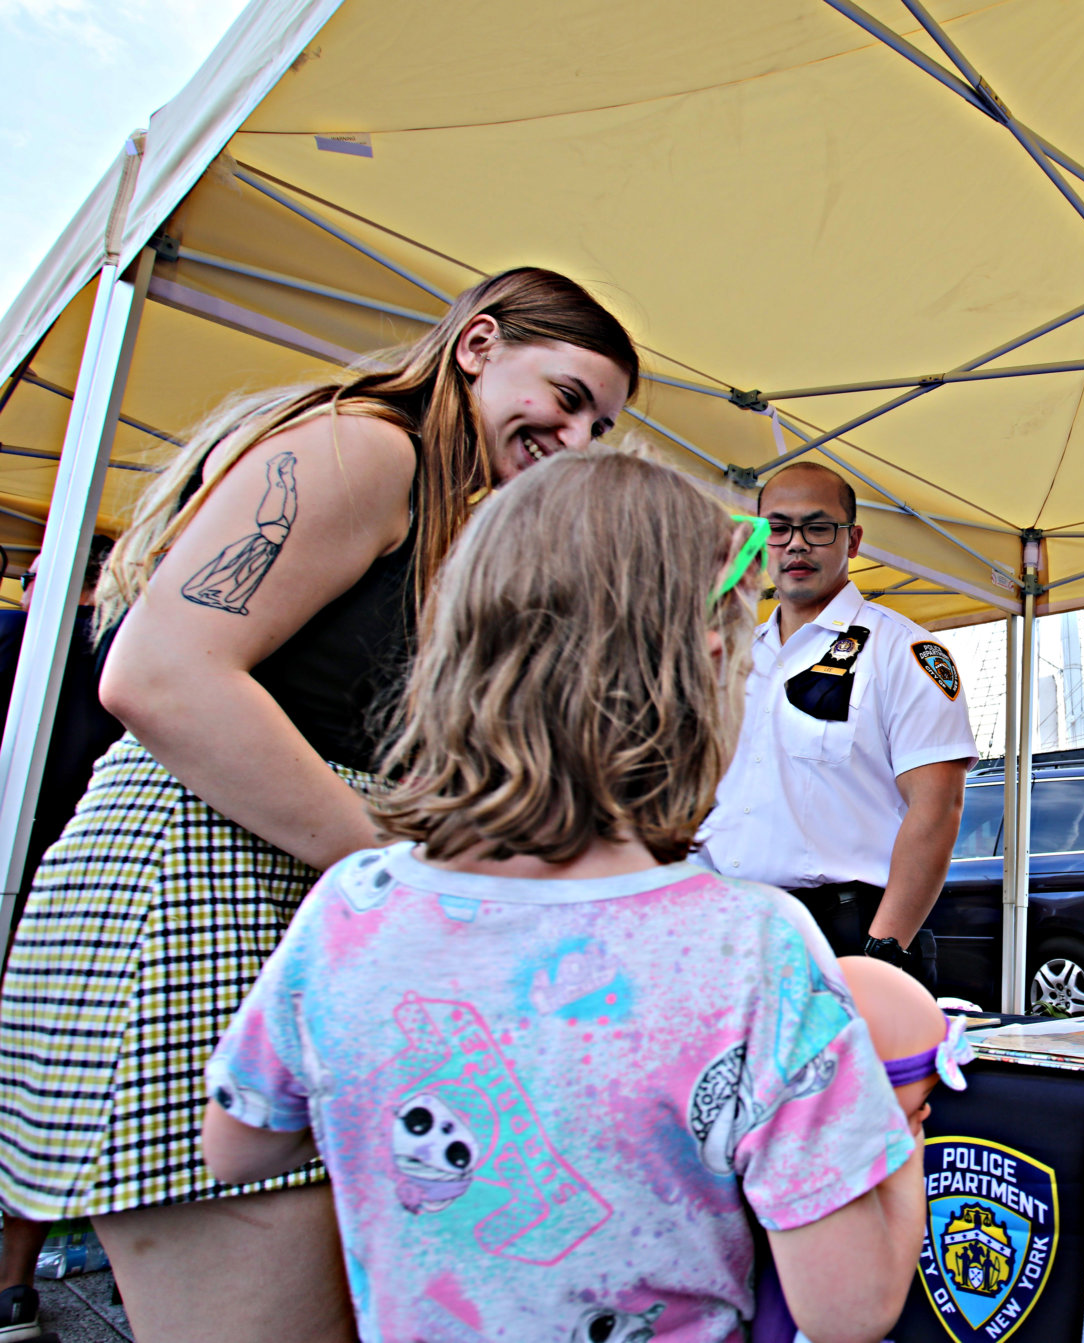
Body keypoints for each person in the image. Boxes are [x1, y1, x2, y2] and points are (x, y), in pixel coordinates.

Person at [0, 267, 638, 1343]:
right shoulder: (367, 448)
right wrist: (404, 880)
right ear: (477, 343)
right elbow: (158, 675)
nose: (575, 436)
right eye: (566, 395)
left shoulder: (432, 502)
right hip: (186, 904)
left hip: (264, 914)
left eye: (600, 425)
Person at [200, 451, 927, 1343]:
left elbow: (238, 1142)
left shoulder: (352, 903)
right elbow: (849, 1307)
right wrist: (893, 1118)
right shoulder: (754, 946)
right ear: (702, 664)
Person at [699, 462, 976, 990]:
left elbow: (937, 807)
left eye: (817, 528)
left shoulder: (902, 651)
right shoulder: (731, 656)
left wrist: (883, 952)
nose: (795, 545)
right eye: (777, 528)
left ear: (852, 540)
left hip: (849, 934)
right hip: (731, 933)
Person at [0, 538, 125, 1343]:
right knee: (62, 1079)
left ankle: (11, 1285)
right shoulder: (127, 638)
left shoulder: (21, 633)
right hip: (87, 870)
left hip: (35, 864)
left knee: (31, 1076)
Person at [753, 957, 973, 1343]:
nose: (927, 1110)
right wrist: (906, 1150)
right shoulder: (816, 1172)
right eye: (923, 1096)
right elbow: (864, 1313)